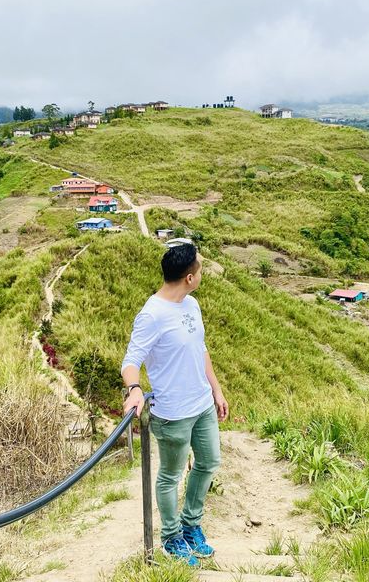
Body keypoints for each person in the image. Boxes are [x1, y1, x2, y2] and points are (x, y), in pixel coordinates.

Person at [121, 242, 229, 567]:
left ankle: (191, 524)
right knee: (170, 476)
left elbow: (202, 349)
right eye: (199, 268)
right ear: (189, 278)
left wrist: (217, 390)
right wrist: (135, 389)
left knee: (209, 463)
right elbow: (130, 361)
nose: (201, 271)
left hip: (202, 405)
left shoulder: (191, 304)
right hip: (172, 414)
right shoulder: (151, 315)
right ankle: (171, 538)